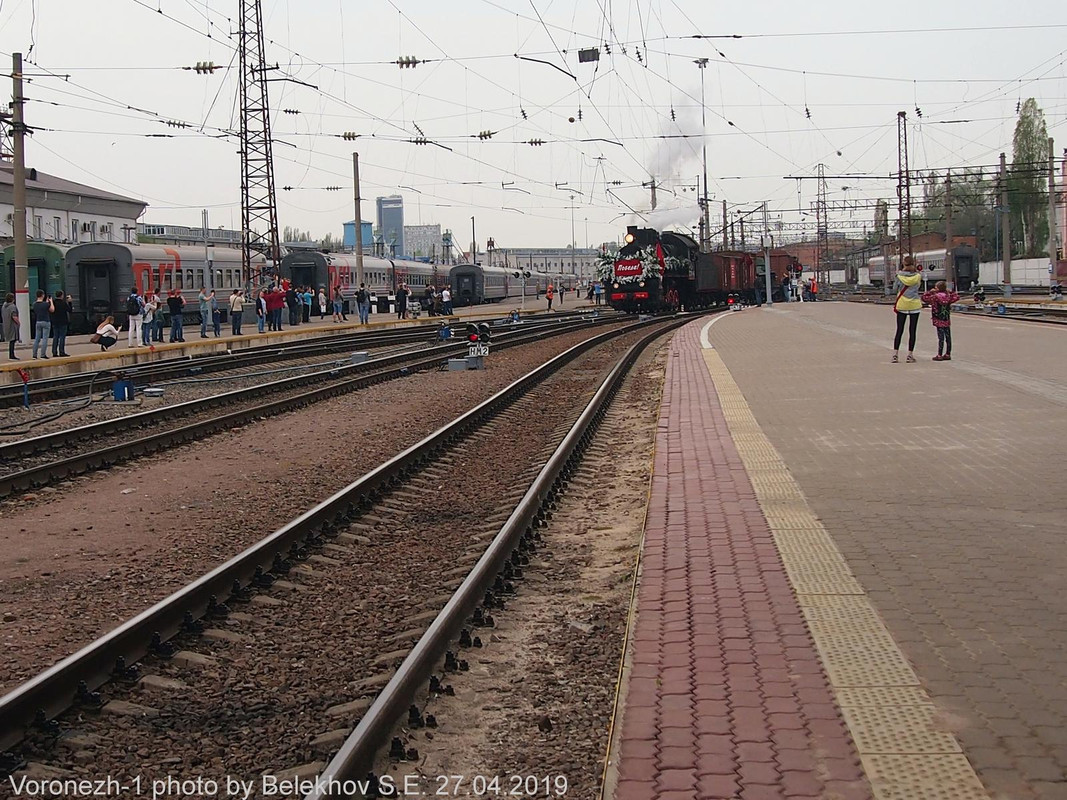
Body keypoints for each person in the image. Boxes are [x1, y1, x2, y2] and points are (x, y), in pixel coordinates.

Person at [891, 255, 922, 363]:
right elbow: (918, 287)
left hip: (902, 305)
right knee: (912, 331)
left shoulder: (899, 276)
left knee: (899, 330)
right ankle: (910, 355)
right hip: (914, 305)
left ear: (903, 264)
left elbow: (895, 289)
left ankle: (895, 355)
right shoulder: (918, 276)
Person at [922, 280, 960, 361]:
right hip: (946, 318)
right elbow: (956, 297)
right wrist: (951, 292)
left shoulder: (935, 297)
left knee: (940, 338)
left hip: (938, 319)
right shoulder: (948, 296)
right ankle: (948, 353)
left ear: (937, 288)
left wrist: (929, 292)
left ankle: (939, 354)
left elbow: (924, 298)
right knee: (948, 337)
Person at [32, 289, 53, 359]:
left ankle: (34, 355)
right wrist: (51, 302)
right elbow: (52, 310)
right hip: (46, 322)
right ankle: (43, 354)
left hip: (38, 322)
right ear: (43, 295)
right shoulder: (46, 304)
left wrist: (47, 303)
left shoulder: (34, 304)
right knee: (44, 339)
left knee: (37, 339)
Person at [51, 290, 71, 357]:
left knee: (55, 336)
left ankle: (54, 352)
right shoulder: (63, 303)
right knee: (62, 337)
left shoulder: (53, 302)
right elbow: (69, 310)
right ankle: (61, 351)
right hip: (63, 322)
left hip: (55, 322)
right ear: (62, 295)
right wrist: (70, 302)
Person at [2, 293, 20, 360]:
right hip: (12, 326)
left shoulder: (4, 306)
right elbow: (14, 316)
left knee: (11, 340)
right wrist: (18, 322)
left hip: (6, 325)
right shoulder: (12, 306)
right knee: (12, 340)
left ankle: (11, 355)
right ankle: (12, 355)